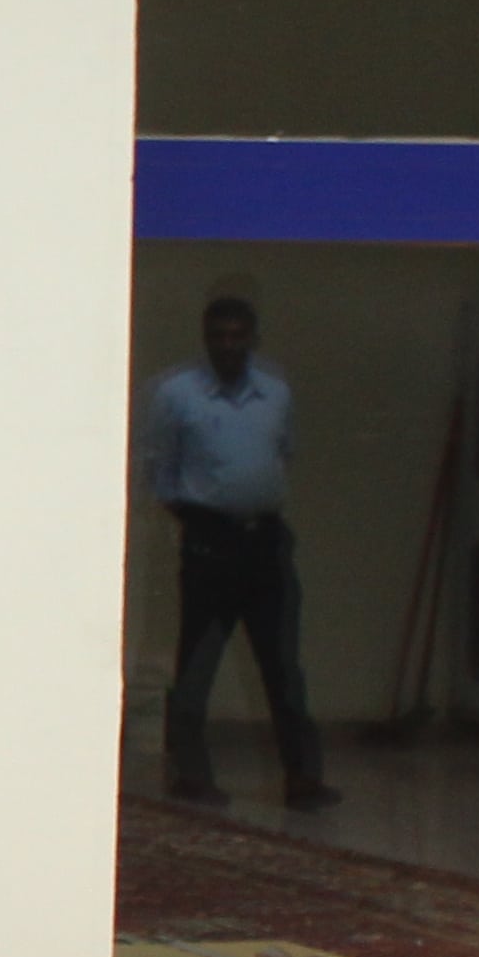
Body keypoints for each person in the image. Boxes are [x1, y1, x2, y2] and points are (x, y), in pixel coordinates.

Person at [141, 293, 337, 809]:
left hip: (265, 543)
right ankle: (190, 774)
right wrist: (195, 518)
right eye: (218, 336)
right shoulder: (177, 394)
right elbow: (159, 467)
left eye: (236, 336)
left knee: (283, 666)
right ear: (206, 339)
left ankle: (303, 779)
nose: (227, 346)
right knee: (196, 664)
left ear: (252, 339)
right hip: (209, 543)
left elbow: (283, 454)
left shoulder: (274, 393)